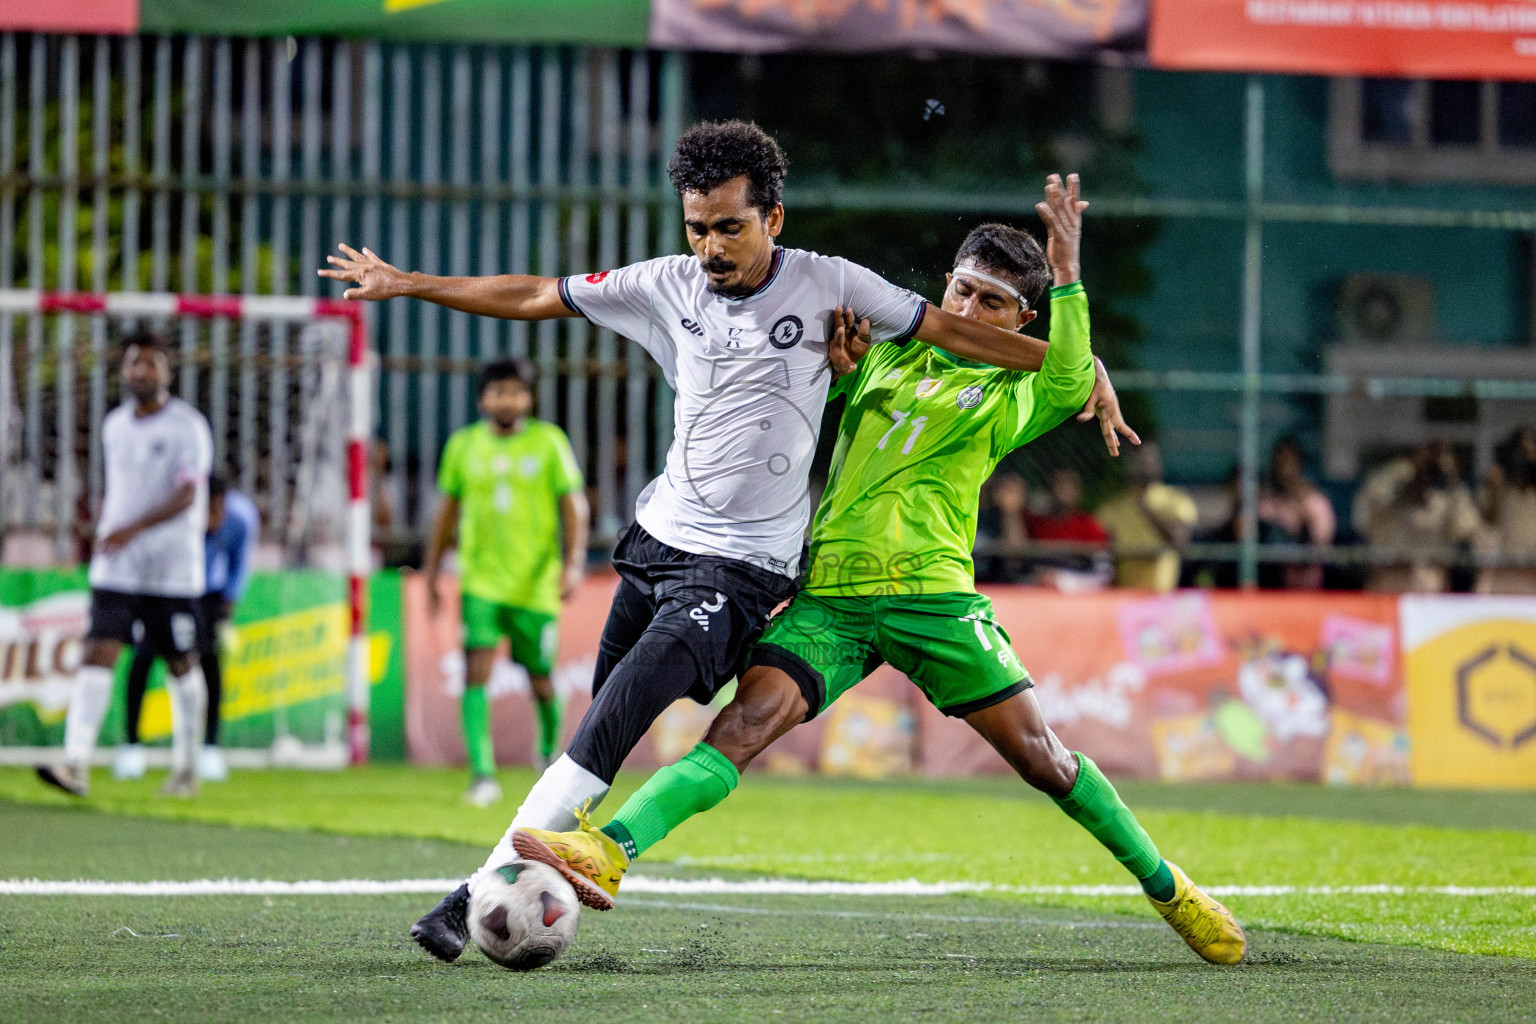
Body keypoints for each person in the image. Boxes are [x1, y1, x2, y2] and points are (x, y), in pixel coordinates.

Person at [321, 121, 1134, 963]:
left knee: (609, 726)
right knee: (600, 730)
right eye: (697, 227)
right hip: (656, 541)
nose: (710, 247)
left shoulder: (834, 284)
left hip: (741, 571)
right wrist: (405, 282)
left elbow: (960, 335)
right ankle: (543, 877)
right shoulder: (663, 285)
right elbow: (534, 293)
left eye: (729, 227)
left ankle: (467, 900)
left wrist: (1082, 367)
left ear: (773, 218)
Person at [511, 179, 1246, 966]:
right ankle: (610, 851)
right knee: (742, 726)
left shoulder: (1015, 392)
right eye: (961, 289)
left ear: (1021, 321)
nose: (966, 310)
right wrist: (840, 366)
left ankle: (1168, 887)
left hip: (934, 601)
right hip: (831, 598)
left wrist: (1068, 270)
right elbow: (815, 377)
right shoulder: (885, 356)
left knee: (1045, 761)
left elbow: (1068, 373)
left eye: (991, 304)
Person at [36, 330, 213, 799]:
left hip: (172, 571)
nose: (142, 371)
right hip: (117, 567)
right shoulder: (114, 425)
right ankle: (75, 763)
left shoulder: (188, 427)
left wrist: (132, 528)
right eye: (135, 363)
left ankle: (187, 768)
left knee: (180, 662)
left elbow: (188, 492)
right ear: (123, 371)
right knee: (98, 652)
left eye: (152, 363)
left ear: (167, 372)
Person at [424, 358, 590, 807]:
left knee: (540, 677)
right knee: (476, 667)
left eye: (516, 391)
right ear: (483, 398)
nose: (508, 399)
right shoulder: (463, 446)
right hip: (479, 581)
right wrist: (432, 572)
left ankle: (547, 755)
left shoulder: (549, 442)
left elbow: (574, 507)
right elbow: (446, 515)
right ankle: (482, 773)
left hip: (534, 585)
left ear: (529, 398)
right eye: (499, 391)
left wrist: (572, 564)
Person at [116, 475, 259, 784]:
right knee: (144, 658)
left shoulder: (242, 517)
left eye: (220, 510)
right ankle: (131, 746)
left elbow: (239, 561)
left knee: (209, 661)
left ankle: (209, 748)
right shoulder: (174, 516)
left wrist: (230, 598)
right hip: (164, 589)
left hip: (207, 593)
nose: (217, 518)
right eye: (211, 510)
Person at [1353, 440, 1482, 592]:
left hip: (1430, 583)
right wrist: (1406, 467)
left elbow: (1468, 527)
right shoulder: (1389, 505)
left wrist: (1452, 480)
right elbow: (1370, 498)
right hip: (1389, 581)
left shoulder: (1441, 504)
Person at [1097, 441, 1197, 592]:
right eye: (1137, 459)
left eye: (1148, 457)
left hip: (1163, 596)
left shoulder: (1177, 501)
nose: (1143, 464)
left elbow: (1180, 541)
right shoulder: (1112, 509)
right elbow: (1103, 558)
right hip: (1124, 597)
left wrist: (1147, 511)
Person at [1257, 437, 1335, 590]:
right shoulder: (1266, 500)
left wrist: (1302, 518)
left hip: (1309, 585)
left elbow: (1323, 546)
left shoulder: (1315, 501)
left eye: (1291, 461)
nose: (1286, 469)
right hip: (1272, 586)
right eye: (1281, 462)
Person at [1478, 426, 1536, 594]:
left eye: (1528, 454)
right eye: (1518, 454)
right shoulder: (1500, 489)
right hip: (1505, 574)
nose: (1523, 461)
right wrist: (1495, 484)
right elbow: (1489, 518)